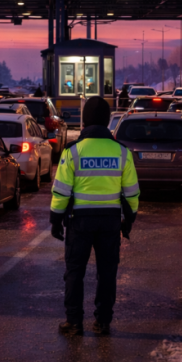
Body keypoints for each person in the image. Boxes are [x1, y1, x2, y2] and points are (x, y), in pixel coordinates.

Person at [50, 96, 139, 336]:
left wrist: (55, 220)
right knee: (107, 272)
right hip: (110, 221)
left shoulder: (73, 152)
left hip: (79, 222)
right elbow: (131, 192)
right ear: (107, 120)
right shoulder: (121, 152)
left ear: (85, 120)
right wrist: (128, 220)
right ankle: (103, 322)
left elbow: (61, 191)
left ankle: (74, 322)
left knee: (75, 272)